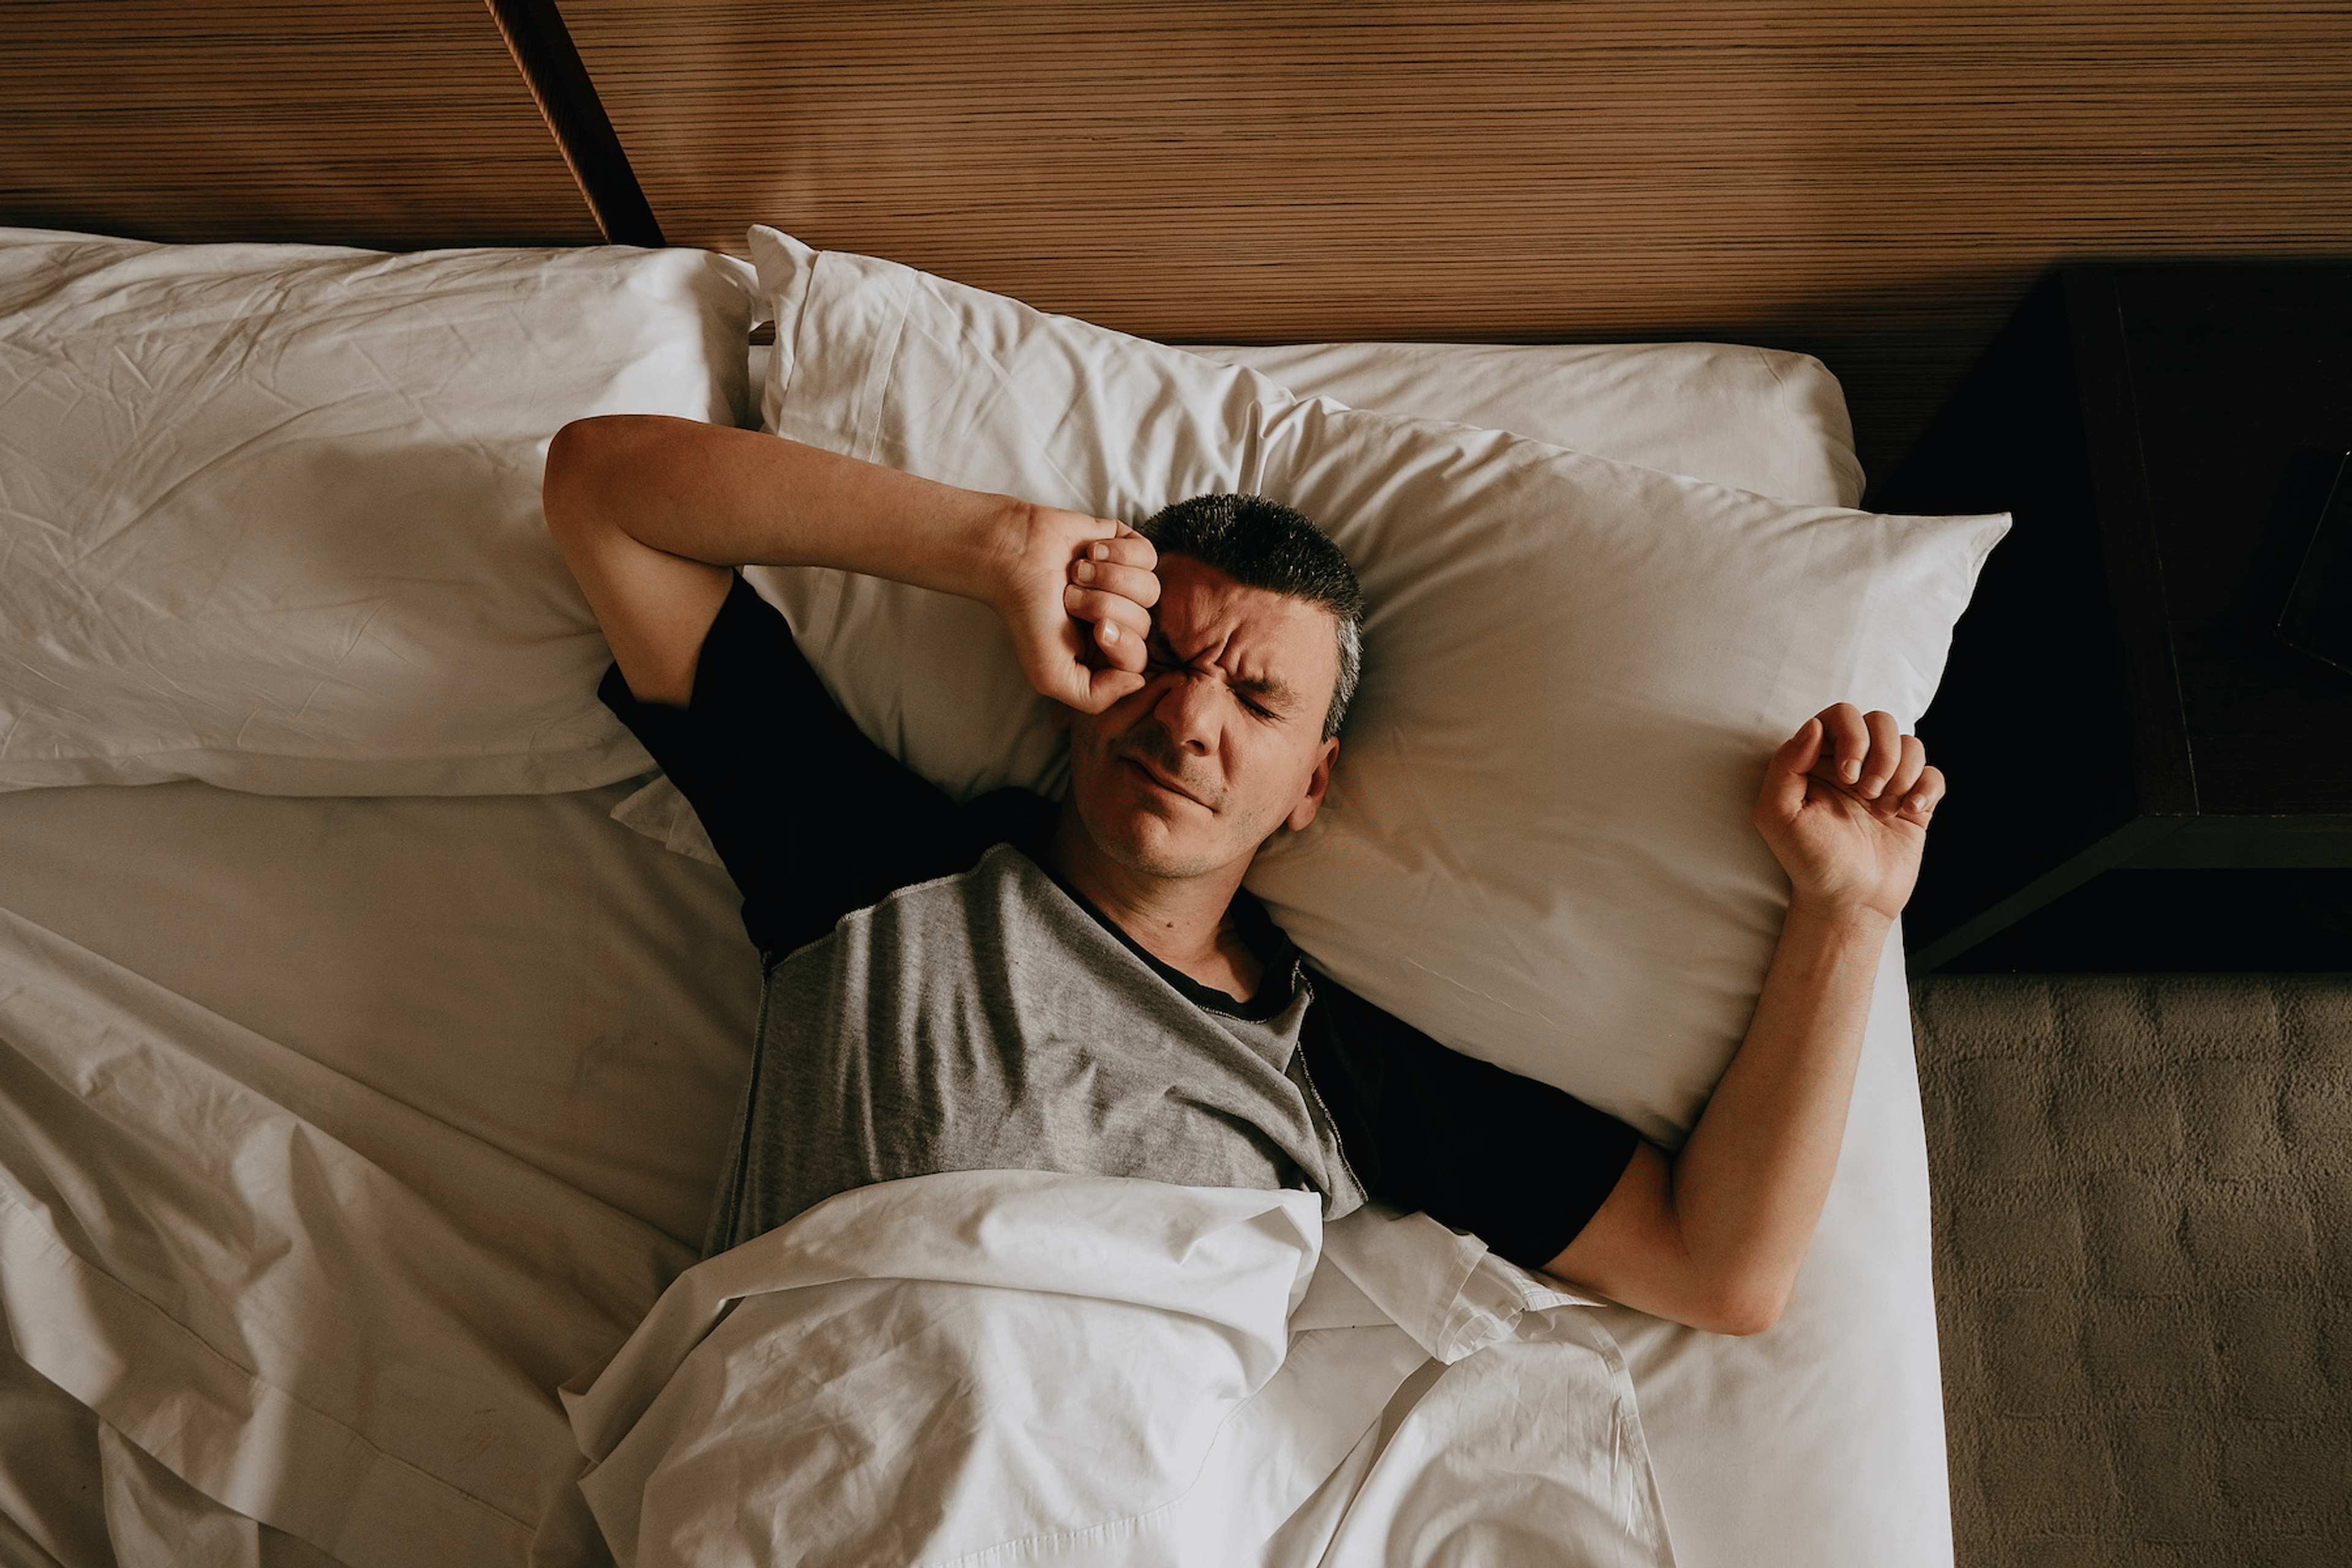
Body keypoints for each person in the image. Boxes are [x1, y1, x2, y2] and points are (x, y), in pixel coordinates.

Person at [543, 413, 1945, 1337]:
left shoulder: (1330, 1068)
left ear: (1311, 787)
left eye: (1259, 699)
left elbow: (1722, 1267)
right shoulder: (873, 864)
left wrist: (1847, 909)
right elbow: (603, 493)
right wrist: (1001, 548)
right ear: (1085, 679)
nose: (1191, 715)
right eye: (1164, 659)